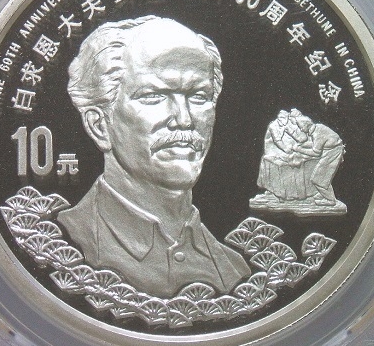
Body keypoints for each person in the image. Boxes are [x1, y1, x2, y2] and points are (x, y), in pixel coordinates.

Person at [58, 16, 250, 298]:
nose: (184, 120)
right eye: (154, 96)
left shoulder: (236, 271)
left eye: (199, 96)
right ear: (99, 125)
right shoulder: (62, 245)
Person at [293, 116, 344, 206]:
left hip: (333, 152)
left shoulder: (317, 133)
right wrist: (302, 145)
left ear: (306, 125)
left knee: (317, 179)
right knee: (322, 177)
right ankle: (324, 194)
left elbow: (316, 152)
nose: (301, 129)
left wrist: (299, 150)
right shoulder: (317, 128)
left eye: (301, 126)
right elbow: (316, 144)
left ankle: (330, 200)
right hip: (330, 150)